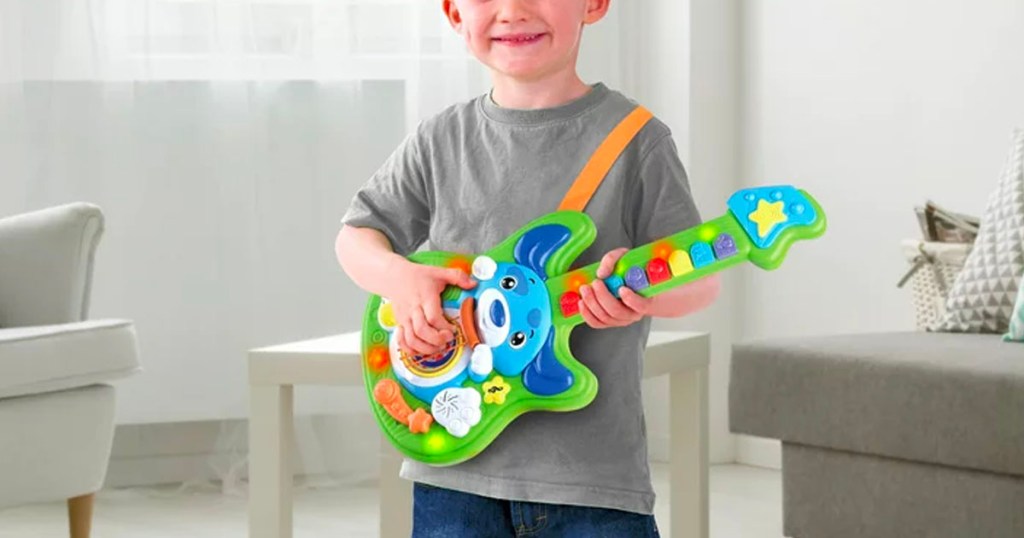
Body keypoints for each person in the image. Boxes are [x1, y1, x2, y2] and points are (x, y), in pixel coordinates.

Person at [335, 0, 720, 535]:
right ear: (452, 12)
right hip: (452, 469)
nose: (513, 10)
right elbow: (356, 237)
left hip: (591, 478)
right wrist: (400, 280)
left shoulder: (636, 140)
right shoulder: (439, 138)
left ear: (594, 4)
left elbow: (700, 278)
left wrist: (644, 299)